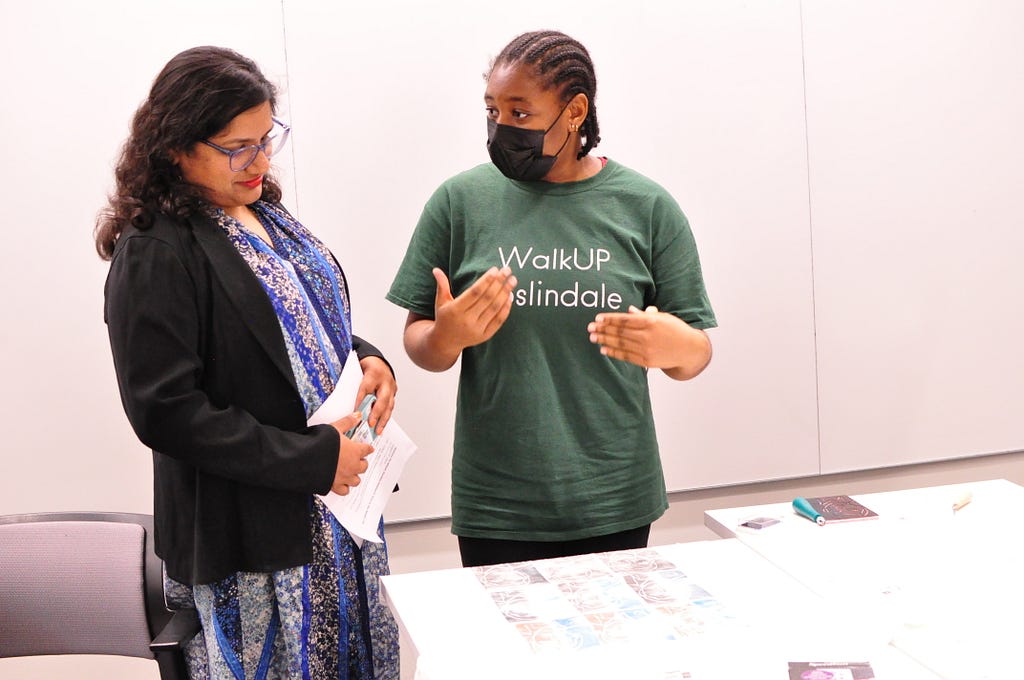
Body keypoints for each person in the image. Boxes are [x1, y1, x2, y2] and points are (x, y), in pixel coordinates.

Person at [96, 46, 399, 679]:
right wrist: (314, 458)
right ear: (178, 147)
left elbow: (295, 326)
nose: (260, 160)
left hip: (336, 518)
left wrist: (369, 360)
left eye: (267, 139)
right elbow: (166, 410)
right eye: (238, 147)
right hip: (254, 541)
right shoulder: (155, 249)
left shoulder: (263, 212)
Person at [386, 30, 717, 568]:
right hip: (498, 504)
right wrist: (446, 336)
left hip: (614, 495)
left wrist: (675, 346)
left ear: (575, 111)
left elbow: (695, 355)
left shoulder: (647, 207)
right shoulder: (459, 202)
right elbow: (420, 341)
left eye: (520, 113)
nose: (500, 129)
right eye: (492, 112)